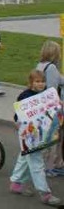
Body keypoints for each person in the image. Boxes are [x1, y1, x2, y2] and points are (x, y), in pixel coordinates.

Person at [9, 70, 62, 205]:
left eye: (43, 81)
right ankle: (45, 193)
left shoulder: (45, 95)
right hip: (29, 135)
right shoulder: (25, 96)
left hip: (40, 134)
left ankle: (16, 183)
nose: (41, 84)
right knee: (37, 162)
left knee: (25, 157)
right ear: (31, 82)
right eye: (37, 81)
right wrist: (18, 122)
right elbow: (18, 114)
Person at [36, 40, 64, 176]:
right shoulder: (51, 68)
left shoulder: (41, 65)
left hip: (42, 108)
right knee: (52, 138)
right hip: (52, 110)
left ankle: (50, 165)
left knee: (47, 137)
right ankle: (48, 168)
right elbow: (52, 90)